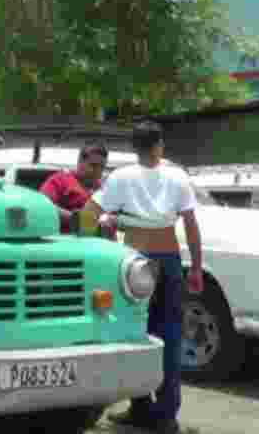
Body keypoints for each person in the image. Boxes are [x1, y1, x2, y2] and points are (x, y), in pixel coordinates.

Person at [82, 121, 203, 434]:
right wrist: (197, 269)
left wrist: (88, 248)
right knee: (170, 336)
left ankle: (141, 407)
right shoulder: (177, 176)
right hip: (169, 260)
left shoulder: (121, 177)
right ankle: (165, 417)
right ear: (159, 145)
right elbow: (190, 225)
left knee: (135, 335)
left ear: (134, 147)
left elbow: (87, 214)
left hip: (133, 266)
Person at [38, 142, 108, 233]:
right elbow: (43, 206)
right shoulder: (60, 180)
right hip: (65, 241)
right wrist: (75, 219)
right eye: (93, 165)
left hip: (95, 242)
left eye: (101, 167)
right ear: (80, 162)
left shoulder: (103, 189)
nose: (97, 171)